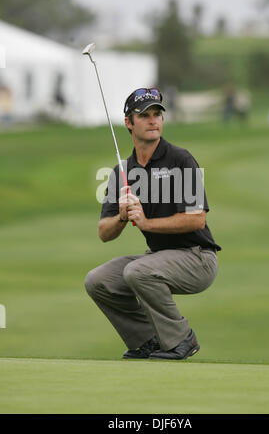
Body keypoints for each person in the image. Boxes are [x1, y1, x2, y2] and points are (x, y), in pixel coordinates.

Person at [85, 87, 221, 360]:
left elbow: (197, 218)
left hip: (198, 258)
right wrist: (122, 217)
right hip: (158, 259)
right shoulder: (123, 171)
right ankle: (147, 339)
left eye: (157, 114)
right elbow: (104, 233)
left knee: (138, 271)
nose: (152, 120)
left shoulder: (180, 159)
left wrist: (147, 223)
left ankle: (182, 338)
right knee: (97, 281)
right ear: (128, 123)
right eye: (144, 115)